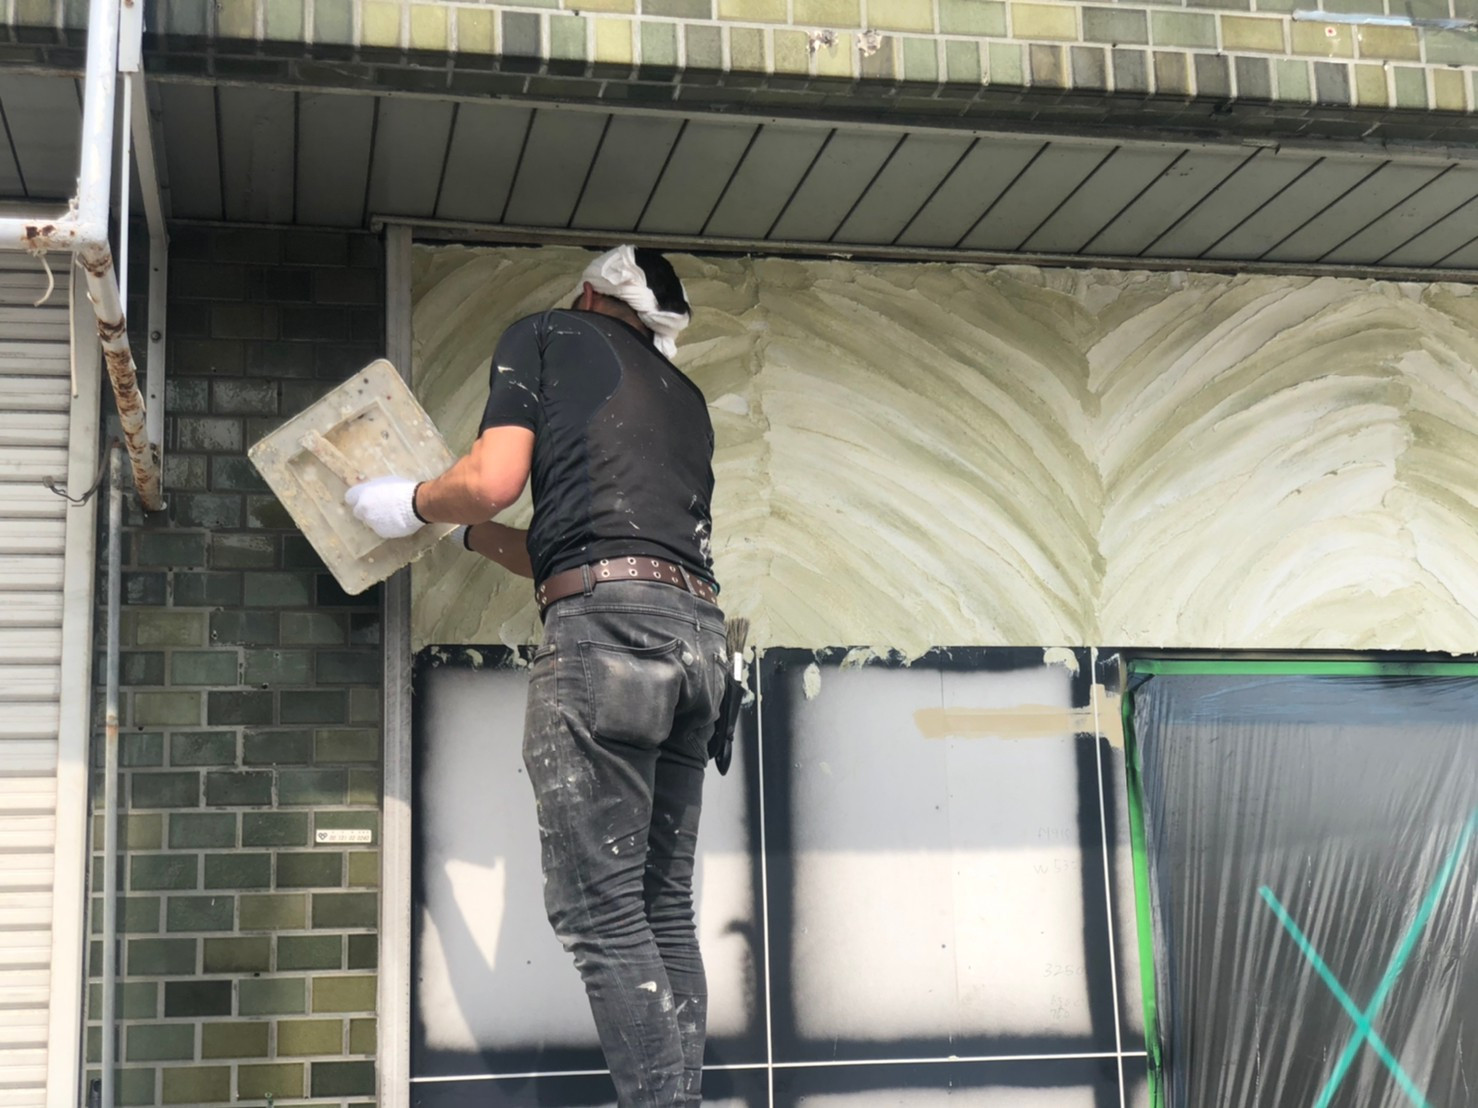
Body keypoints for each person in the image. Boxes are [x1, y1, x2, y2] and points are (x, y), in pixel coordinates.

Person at [345, 246, 727, 1107]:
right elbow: (576, 547)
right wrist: (455, 532)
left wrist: (411, 501)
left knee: (599, 912)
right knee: (660, 904)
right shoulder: (685, 398)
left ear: (588, 293)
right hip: (697, 641)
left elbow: (493, 481)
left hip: (612, 636)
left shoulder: (546, 334)